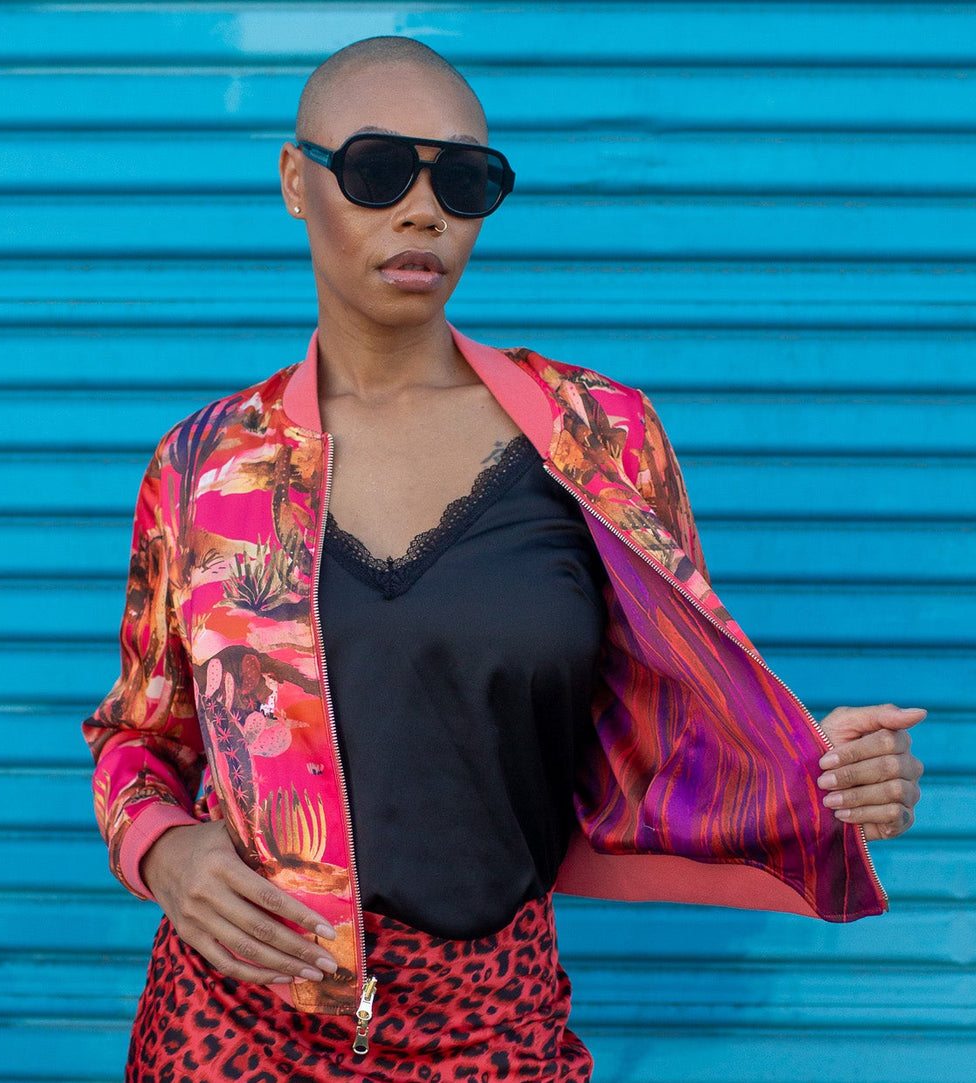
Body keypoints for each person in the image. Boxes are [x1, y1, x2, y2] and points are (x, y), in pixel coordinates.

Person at [83, 36, 924, 1083]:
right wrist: (165, 850)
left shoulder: (597, 438)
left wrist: (817, 772)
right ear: (297, 183)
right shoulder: (207, 465)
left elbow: (665, 722)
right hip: (235, 1026)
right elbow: (137, 737)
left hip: (494, 1022)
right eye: (379, 170)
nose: (424, 210)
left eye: (465, 180)